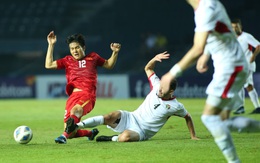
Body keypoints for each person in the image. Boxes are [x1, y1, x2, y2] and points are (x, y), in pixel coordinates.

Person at [159, 0, 249, 162]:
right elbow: (218, 32)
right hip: (230, 65)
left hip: (231, 67)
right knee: (222, 120)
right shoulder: (208, 5)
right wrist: (206, 55)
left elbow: (197, 47)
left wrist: (171, 74)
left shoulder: (205, 9)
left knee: (209, 118)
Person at [72, 52, 199, 142]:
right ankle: (77, 125)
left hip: (141, 131)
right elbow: (148, 68)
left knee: (125, 137)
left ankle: (112, 138)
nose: (160, 89)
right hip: (132, 117)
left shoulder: (175, 106)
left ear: (171, 90)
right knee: (110, 116)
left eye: (163, 88)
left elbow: (187, 116)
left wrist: (193, 136)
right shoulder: (156, 85)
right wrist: (154, 59)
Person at [45, 31, 121, 144]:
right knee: (70, 131)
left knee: (76, 111)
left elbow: (109, 64)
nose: (74, 51)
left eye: (77, 47)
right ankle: (90, 133)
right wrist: (51, 44)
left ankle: (62, 137)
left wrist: (115, 52)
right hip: (72, 97)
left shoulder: (93, 57)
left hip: (87, 95)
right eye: (72, 49)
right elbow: (48, 65)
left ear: (83, 47)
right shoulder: (67, 60)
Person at [231, 18, 260, 114]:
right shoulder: (233, 39)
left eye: (236, 26)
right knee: (248, 85)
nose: (234, 28)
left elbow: (258, 46)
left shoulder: (246, 36)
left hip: (247, 64)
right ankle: (257, 107)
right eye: (233, 27)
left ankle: (240, 106)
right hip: (240, 65)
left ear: (240, 27)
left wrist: (253, 56)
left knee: (238, 83)